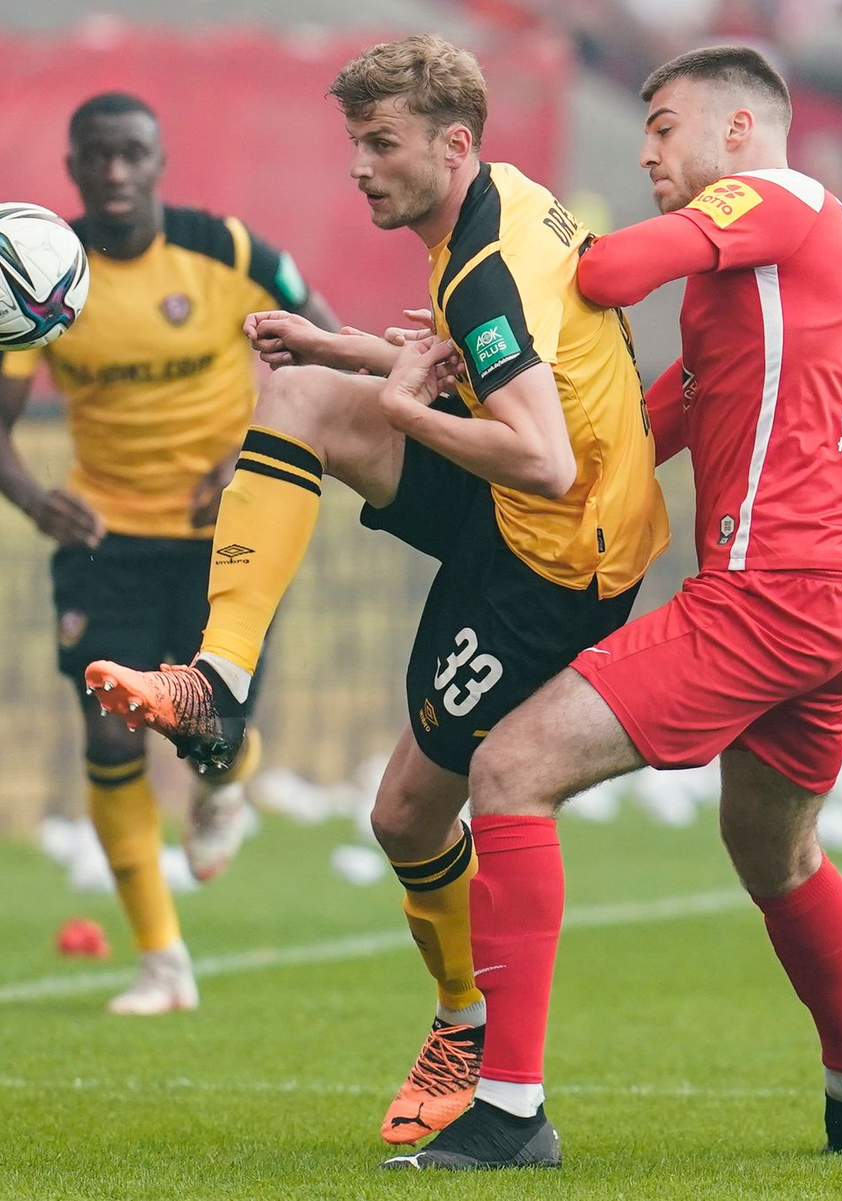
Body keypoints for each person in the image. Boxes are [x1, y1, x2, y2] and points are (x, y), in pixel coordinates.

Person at [83, 35, 668, 1153]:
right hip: (528, 511)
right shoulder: (502, 203)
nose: (360, 165)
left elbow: (540, 456)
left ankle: (467, 1029)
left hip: (555, 566)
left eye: (381, 142)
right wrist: (337, 345)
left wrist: (397, 411)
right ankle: (220, 678)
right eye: (355, 141)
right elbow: (480, 364)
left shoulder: (484, 264)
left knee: (403, 814)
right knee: (299, 390)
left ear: (453, 143)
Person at [382, 45, 842, 1171]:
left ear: (736, 132)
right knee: (771, 847)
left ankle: (511, 1110)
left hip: (774, 593)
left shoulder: (777, 198)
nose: (648, 153)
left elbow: (611, 274)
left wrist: (526, 252)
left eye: (666, 128)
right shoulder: (757, 295)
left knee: (508, 771)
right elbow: (638, 426)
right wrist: (483, 394)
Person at [0, 92, 335, 1014]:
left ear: (159, 160)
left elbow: (329, 340)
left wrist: (250, 450)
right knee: (108, 732)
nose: (114, 173)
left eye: (131, 154)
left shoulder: (226, 249)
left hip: (230, 534)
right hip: (107, 536)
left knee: (209, 743)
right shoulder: (40, 272)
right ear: (71, 167)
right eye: (96, 157)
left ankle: (230, 779)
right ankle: (161, 960)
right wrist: (35, 499)